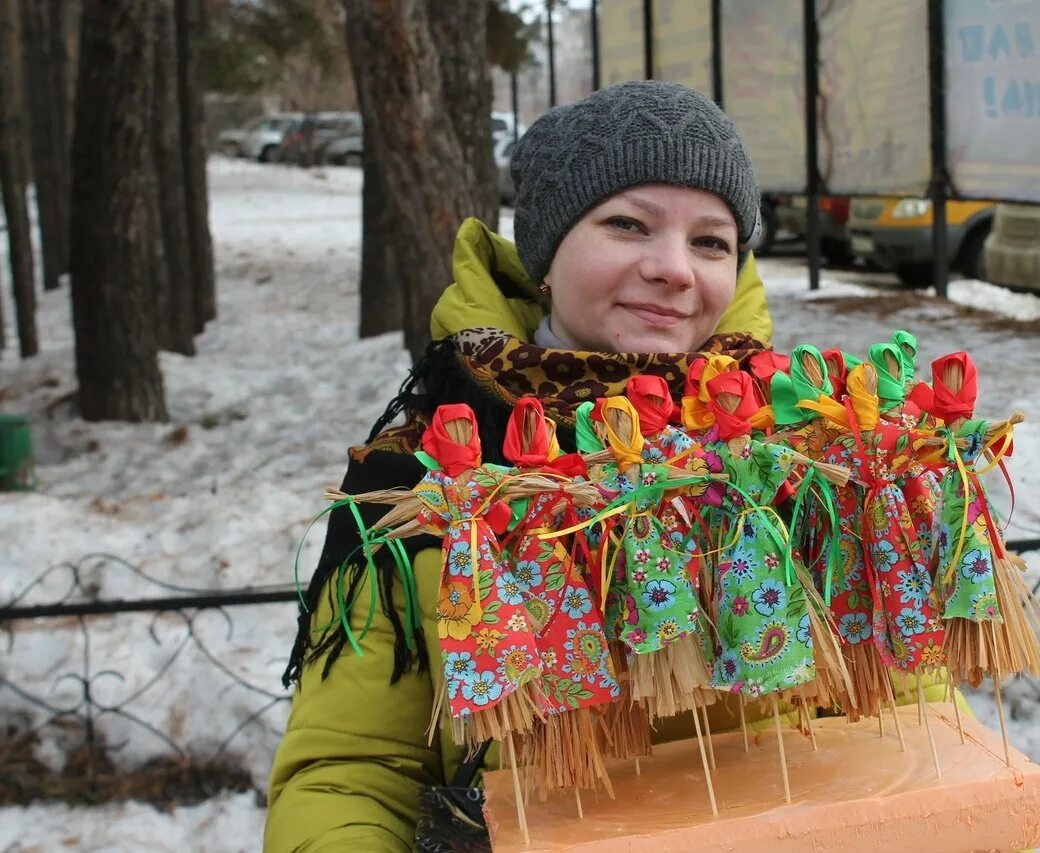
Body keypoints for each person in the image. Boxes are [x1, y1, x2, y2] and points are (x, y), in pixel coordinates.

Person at [265, 80, 957, 852]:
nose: (675, 269)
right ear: (547, 255)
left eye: (711, 242)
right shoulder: (426, 475)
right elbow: (353, 775)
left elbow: (915, 725)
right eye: (629, 224)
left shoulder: (804, 458)